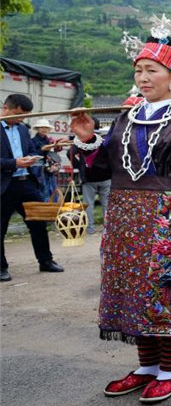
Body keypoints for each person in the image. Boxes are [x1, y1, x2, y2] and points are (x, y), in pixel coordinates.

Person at [70, 24, 171, 404]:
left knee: (166, 293)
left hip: (165, 221)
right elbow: (102, 168)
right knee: (132, 295)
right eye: (139, 70)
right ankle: (147, 369)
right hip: (123, 223)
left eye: (153, 70)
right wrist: (88, 139)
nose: (143, 77)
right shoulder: (125, 118)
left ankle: (170, 371)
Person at [1, 94, 65, 282]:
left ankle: (46, 260)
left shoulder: (22, 129)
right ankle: (1, 267)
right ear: (6, 107)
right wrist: (14, 163)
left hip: (26, 183)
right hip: (4, 186)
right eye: (19, 114)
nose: (22, 119)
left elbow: (32, 151)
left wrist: (48, 149)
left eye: (25, 116)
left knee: (38, 222)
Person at [71, 117, 111, 234]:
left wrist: (80, 166)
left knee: (88, 204)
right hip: (106, 176)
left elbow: (71, 154)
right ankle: (107, 229)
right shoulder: (105, 139)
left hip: (88, 177)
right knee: (106, 204)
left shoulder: (79, 141)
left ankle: (90, 228)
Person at [30, 118, 62, 201]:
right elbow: (32, 156)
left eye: (46, 128)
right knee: (43, 193)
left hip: (51, 172)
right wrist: (41, 150)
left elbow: (54, 155)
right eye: (41, 127)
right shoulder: (32, 141)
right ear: (37, 129)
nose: (44, 130)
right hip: (39, 173)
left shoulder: (50, 141)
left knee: (53, 192)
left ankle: (53, 211)